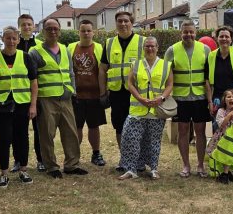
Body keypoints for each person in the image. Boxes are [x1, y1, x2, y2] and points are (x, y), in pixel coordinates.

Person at [0, 26, 39, 187]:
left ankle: (23, 170)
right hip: (1, 104)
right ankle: (4, 173)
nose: (11, 41)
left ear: (18, 40)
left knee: (22, 137)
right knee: (5, 138)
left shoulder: (26, 57)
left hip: (22, 103)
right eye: (8, 38)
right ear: (2, 39)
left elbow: (34, 82)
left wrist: (33, 105)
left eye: (14, 38)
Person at [29, 18, 87, 178]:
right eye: (49, 29)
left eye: (55, 29)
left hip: (66, 98)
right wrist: (34, 102)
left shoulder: (64, 49)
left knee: (71, 133)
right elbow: (32, 79)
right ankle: (51, 166)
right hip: (46, 99)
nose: (53, 32)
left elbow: (70, 72)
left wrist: (73, 91)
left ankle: (71, 165)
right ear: (43, 32)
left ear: (60, 31)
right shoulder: (35, 52)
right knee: (47, 134)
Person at [117, 36, 173, 180]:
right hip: (138, 110)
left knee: (154, 141)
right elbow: (130, 84)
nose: (150, 49)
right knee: (131, 139)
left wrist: (161, 98)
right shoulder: (136, 65)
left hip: (156, 110)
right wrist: (140, 99)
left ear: (157, 48)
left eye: (152, 46)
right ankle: (131, 169)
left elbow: (169, 84)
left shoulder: (166, 65)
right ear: (143, 48)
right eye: (147, 46)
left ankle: (154, 168)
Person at [164, 20, 212, 178]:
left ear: (196, 32)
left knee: (200, 131)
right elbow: (166, 74)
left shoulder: (205, 49)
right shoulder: (172, 50)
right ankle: (186, 165)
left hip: (200, 97)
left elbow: (208, 75)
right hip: (180, 97)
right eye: (185, 32)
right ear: (180, 33)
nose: (188, 35)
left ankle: (200, 165)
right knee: (183, 131)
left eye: (191, 32)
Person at [99, 11, 144, 168]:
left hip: (137, 94)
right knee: (120, 126)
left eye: (126, 21)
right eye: (120, 21)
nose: (123, 24)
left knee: (137, 127)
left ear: (132, 23)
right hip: (117, 93)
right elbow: (103, 69)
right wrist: (103, 93)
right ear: (116, 23)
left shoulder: (142, 42)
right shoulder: (109, 43)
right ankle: (125, 159)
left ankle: (138, 161)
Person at [68, 19, 107, 166]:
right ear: (78, 32)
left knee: (94, 126)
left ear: (93, 32)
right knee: (76, 127)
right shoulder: (70, 48)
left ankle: (96, 154)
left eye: (88, 30)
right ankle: (74, 155)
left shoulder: (99, 48)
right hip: (75, 95)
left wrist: (104, 91)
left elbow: (104, 71)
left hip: (94, 96)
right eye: (83, 30)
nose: (86, 33)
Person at [13, 13, 45, 172]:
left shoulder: (40, 45)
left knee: (39, 129)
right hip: (18, 95)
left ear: (34, 26)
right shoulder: (13, 44)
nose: (26, 27)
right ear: (19, 26)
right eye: (23, 24)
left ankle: (41, 160)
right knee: (18, 130)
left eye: (29, 24)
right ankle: (18, 160)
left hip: (36, 93)